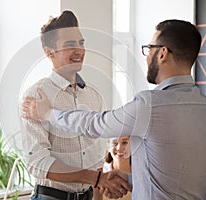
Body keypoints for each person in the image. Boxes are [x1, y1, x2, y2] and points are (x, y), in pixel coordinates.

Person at [22, 19, 206, 199]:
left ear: (162, 53)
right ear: (49, 52)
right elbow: (175, 178)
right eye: (69, 44)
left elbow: (95, 125)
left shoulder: (149, 105)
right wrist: (125, 178)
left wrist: (48, 113)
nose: (146, 57)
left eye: (149, 48)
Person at [21, 10, 130, 200]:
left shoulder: (94, 96)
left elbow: (95, 157)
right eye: (70, 45)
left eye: (81, 43)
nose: (79, 50)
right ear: (49, 52)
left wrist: (98, 187)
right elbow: (37, 163)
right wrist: (96, 179)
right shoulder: (36, 95)